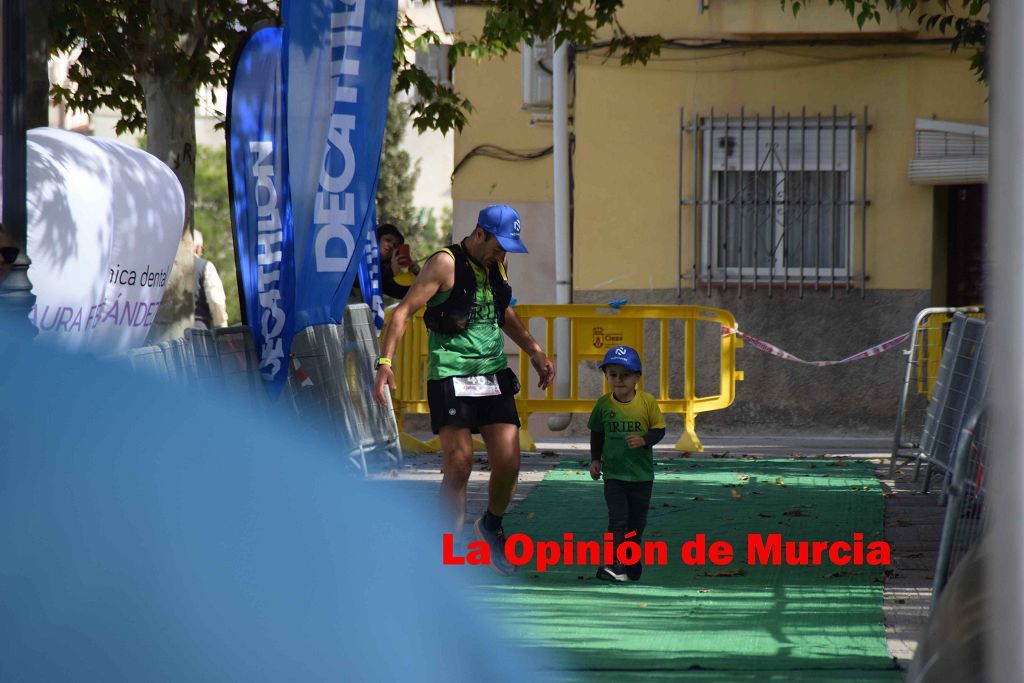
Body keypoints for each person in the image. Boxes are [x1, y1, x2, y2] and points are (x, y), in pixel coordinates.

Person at [372, 204, 555, 575]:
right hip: (450, 376)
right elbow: (403, 312)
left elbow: (502, 312)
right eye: (498, 245)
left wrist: (534, 351)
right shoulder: (444, 264)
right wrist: (385, 364)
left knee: (509, 462)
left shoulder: (497, 264)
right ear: (479, 233)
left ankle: (490, 525)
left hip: (492, 374)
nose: (502, 254)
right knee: (459, 462)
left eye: (507, 248)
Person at [588, 345, 666, 582]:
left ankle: (630, 561)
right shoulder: (603, 405)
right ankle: (615, 564)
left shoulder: (647, 402)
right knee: (617, 520)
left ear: (637, 377)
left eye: (625, 375)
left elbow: (659, 430)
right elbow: (597, 434)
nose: (618, 380)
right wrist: (595, 459)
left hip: (642, 477)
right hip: (614, 476)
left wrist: (644, 440)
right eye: (613, 375)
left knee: (636, 523)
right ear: (606, 376)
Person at [193, 229, 228, 329]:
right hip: (198, 333)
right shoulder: (205, 267)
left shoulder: (168, 267)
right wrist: (222, 327)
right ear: (198, 249)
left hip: (168, 337)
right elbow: (216, 301)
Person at [377, 223, 420, 300]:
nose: (391, 246)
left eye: (395, 245)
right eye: (388, 240)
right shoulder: (361, 256)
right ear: (378, 238)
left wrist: (416, 274)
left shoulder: (386, 272)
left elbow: (405, 294)